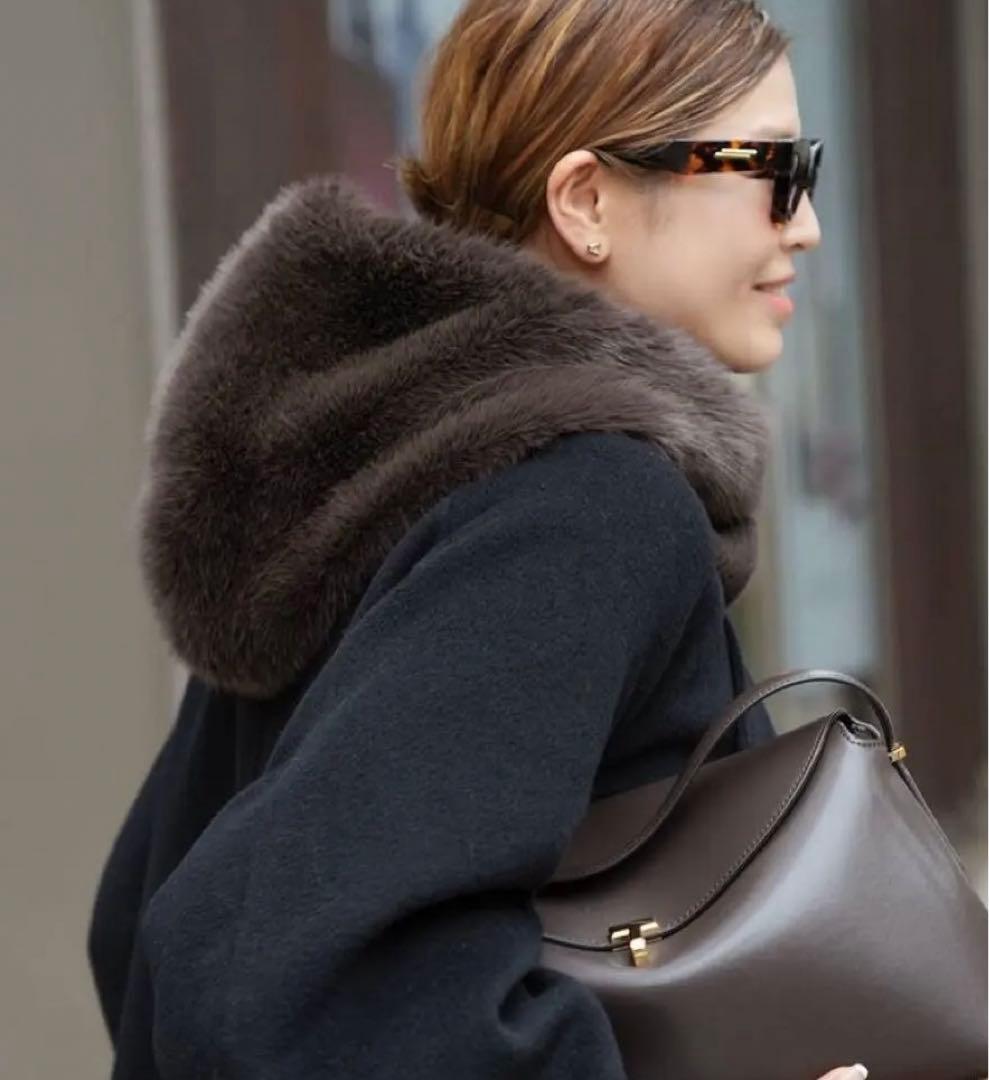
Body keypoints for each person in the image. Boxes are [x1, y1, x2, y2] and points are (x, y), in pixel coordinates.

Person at [86, 1, 864, 1077]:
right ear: (586, 201)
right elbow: (313, 981)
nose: (804, 222)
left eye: (806, 169)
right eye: (766, 169)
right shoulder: (587, 504)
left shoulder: (386, 463)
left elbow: (137, 918)